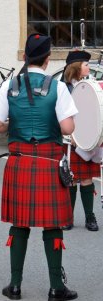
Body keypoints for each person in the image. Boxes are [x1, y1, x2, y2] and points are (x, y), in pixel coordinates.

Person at [0, 33, 78, 301]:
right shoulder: (59, 87)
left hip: (19, 162)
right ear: (48, 59)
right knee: (52, 225)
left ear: (25, 58)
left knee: (20, 224)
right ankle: (55, 288)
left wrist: (13, 123)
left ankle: (14, 286)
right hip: (49, 162)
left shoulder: (8, 86)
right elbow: (67, 128)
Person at [62, 50, 99, 231]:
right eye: (86, 64)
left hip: (88, 140)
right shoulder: (64, 89)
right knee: (71, 179)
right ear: (76, 68)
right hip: (71, 140)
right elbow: (61, 115)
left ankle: (90, 217)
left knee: (86, 179)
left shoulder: (90, 86)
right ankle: (68, 217)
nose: (88, 67)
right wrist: (72, 137)